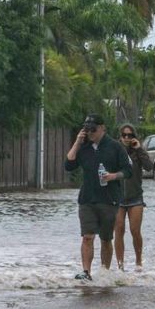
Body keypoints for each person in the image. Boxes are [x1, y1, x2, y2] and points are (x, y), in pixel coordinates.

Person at [64, 114, 133, 281]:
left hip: (109, 200)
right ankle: (86, 272)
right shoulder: (83, 147)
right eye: (87, 129)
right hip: (87, 199)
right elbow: (68, 165)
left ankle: (104, 272)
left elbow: (128, 171)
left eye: (93, 129)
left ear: (103, 128)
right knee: (87, 236)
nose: (90, 132)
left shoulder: (115, 147)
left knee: (106, 239)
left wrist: (113, 176)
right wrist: (77, 142)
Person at [114, 123, 153, 271]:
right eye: (124, 135)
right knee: (119, 229)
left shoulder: (138, 152)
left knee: (135, 230)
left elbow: (149, 167)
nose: (126, 138)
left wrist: (139, 149)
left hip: (135, 197)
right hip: (117, 197)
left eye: (130, 135)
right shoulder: (115, 151)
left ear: (134, 137)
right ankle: (120, 265)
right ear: (120, 136)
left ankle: (138, 262)